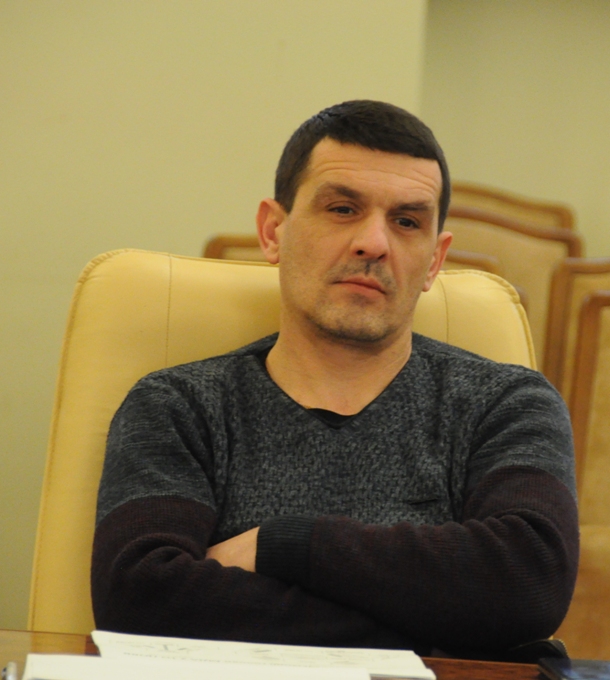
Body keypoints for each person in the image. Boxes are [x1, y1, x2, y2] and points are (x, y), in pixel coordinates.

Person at [91, 100, 578, 657]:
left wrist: (283, 544)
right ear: (273, 232)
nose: (375, 243)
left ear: (434, 260)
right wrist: (435, 629)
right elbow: (140, 599)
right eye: (343, 209)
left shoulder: (507, 404)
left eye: (407, 222)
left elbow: (530, 580)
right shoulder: (177, 407)